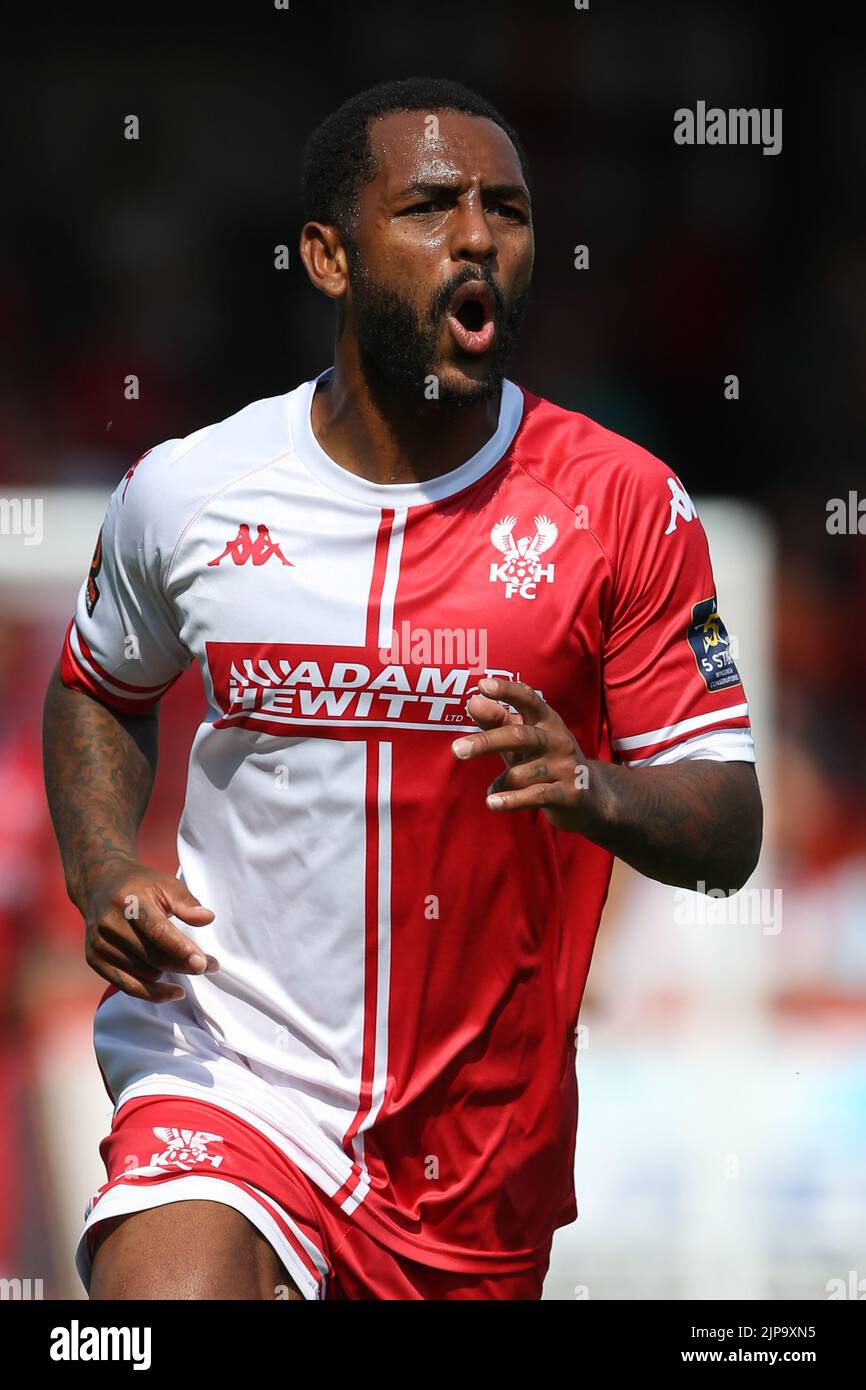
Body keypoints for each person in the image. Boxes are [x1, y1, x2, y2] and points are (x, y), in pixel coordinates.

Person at [42, 76, 762, 1301]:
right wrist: (105, 865)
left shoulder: (622, 505)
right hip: (225, 1064)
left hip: (476, 1154)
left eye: (506, 210)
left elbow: (727, 827)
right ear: (327, 255)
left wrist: (591, 788)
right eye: (429, 205)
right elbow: (98, 686)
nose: (477, 235)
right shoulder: (187, 490)